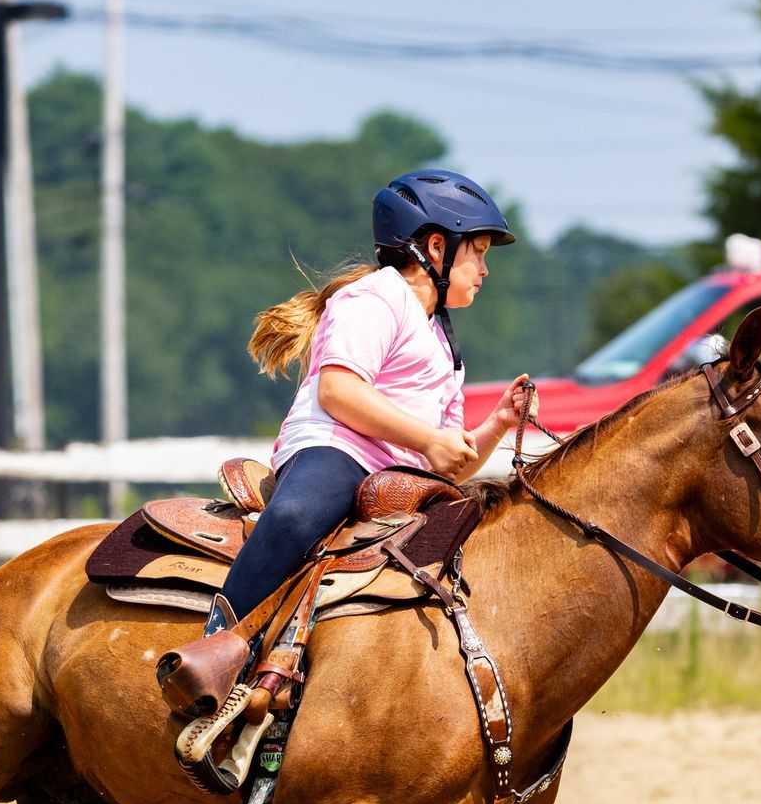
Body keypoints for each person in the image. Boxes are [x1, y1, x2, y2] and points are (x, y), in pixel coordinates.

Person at [157, 169, 537, 718]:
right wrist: (429, 440)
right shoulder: (375, 298)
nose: (484, 269)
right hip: (339, 452)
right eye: (477, 252)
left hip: (405, 482)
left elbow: (452, 457)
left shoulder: (443, 340)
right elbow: (338, 391)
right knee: (295, 516)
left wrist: (496, 425)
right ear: (436, 247)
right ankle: (214, 654)